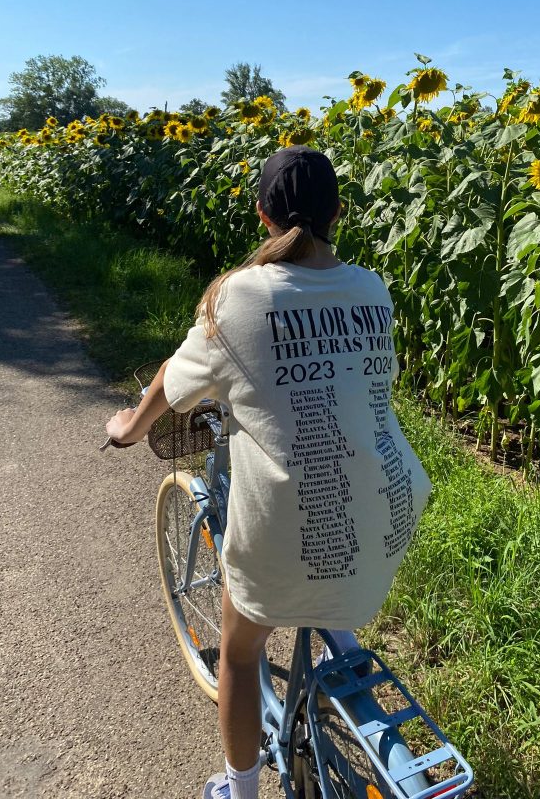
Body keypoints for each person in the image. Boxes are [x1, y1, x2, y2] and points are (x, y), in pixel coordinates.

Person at [105, 146, 432, 799]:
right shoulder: (372, 288)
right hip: (391, 513)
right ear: (339, 212)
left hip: (293, 534)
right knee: (332, 531)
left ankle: (242, 788)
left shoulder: (237, 296)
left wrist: (128, 427)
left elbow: (174, 379)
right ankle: (336, 626)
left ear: (262, 216)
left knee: (241, 651)